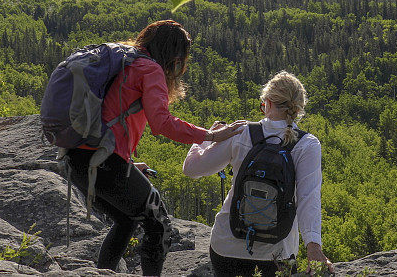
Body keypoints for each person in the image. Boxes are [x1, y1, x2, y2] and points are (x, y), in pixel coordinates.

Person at [64, 20, 244, 276]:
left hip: (77, 158)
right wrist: (211, 136)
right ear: (173, 55)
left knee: (127, 220)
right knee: (159, 224)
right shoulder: (150, 70)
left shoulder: (125, 62)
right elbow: (162, 123)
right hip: (102, 161)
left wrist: (125, 163)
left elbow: (107, 118)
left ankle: (102, 273)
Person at [183, 71, 333, 277]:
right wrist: (313, 248)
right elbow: (309, 199)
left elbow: (192, 169)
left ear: (268, 103)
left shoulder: (240, 132)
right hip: (278, 252)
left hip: (227, 245)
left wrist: (207, 137)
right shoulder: (307, 145)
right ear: (298, 109)